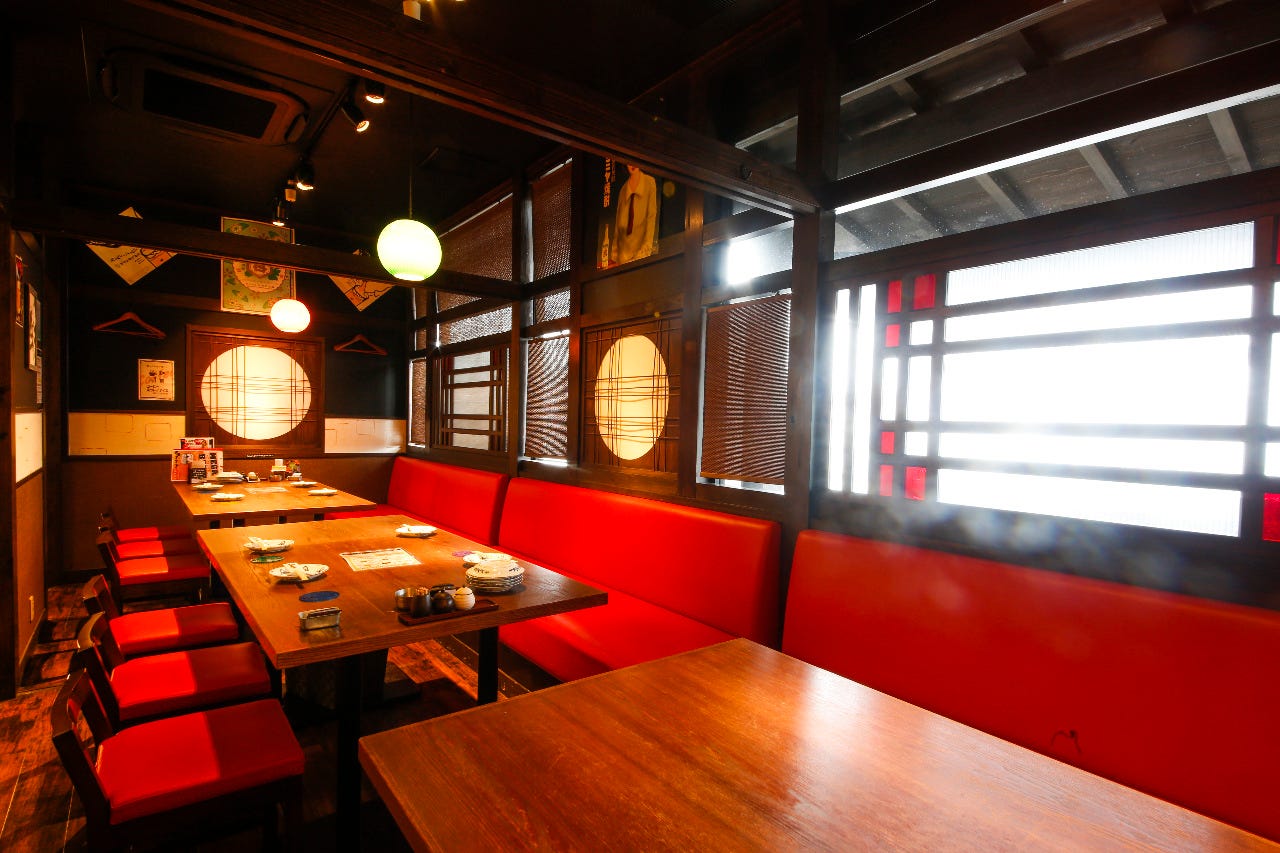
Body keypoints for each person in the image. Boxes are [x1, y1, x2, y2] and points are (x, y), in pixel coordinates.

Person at [610, 164, 658, 265]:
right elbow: (617, 225)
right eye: (628, 162)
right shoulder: (623, 190)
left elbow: (651, 216)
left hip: (641, 255)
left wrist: (645, 250)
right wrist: (614, 255)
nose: (632, 165)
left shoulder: (649, 182)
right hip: (622, 257)